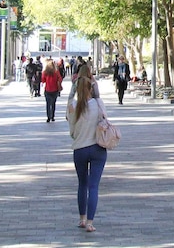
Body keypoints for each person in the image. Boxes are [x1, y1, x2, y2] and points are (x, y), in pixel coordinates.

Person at [68, 77, 107, 233]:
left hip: (80, 149)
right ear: (91, 89)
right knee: (94, 186)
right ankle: (90, 222)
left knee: (82, 184)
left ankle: (82, 219)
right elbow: (105, 118)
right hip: (98, 148)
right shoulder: (98, 104)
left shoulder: (72, 106)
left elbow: (71, 131)